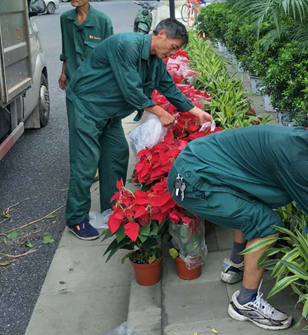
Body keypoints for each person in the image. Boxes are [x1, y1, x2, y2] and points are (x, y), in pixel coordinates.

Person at [167, 112, 308, 331]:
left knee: (251, 206)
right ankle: (245, 302)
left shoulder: (301, 141)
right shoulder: (299, 162)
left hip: (199, 165)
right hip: (194, 182)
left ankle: (236, 264)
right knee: (266, 225)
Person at [65, 19, 213, 240]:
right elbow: (130, 89)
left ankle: (112, 209)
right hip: (88, 107)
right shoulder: (126, 45)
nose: (172, 54)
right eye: (173, 47)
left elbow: (168, 86)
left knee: (116, 156)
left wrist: (195, 112)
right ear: (161, 34)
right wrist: (160, 113)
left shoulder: (155, 60)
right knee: (85, 163)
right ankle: (76, 219)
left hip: (110, 113)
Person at [59, 0, 113, 91]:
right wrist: (63, 73)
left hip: (96, 83)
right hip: (72, 81)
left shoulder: (102, 20)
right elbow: (66, 50)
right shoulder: (65, 19)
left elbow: (111, 55)